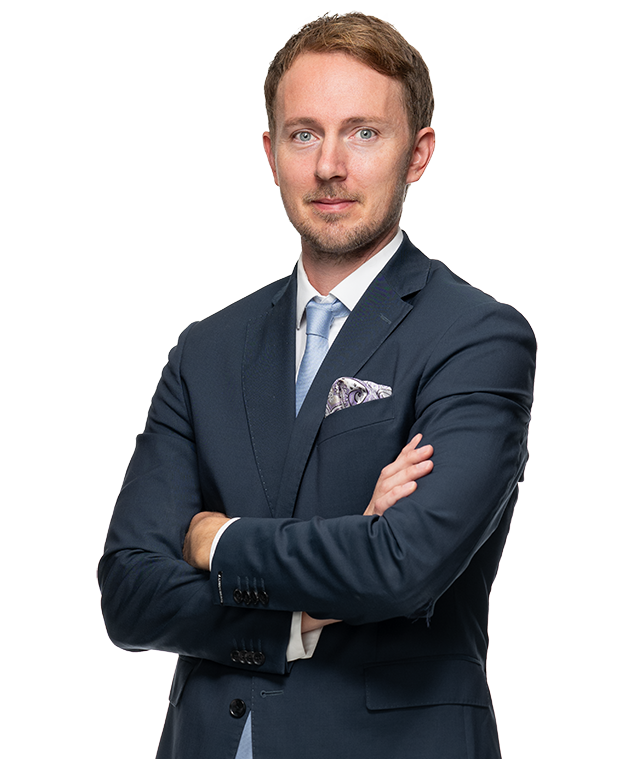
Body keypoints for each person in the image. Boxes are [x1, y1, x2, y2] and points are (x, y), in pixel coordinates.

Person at [98, 12, 536, 758]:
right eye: (304, 134)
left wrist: (214, 538)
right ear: (272, 155)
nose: (330, 165)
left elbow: (400, 568)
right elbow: (130, 595)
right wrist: (294, 620)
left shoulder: (477, 338)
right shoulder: (207, 349)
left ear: (418, 153)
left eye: (364, 132)